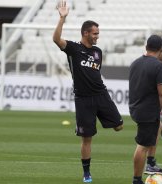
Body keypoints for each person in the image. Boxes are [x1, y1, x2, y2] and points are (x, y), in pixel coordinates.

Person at [53, 0, 124, 183]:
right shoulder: (74, 49)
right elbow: (56, 40)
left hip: (101, 95)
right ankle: (86, 173)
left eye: (98, 33)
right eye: (95, 33)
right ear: (85, 33)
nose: (97, 37)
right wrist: (62, 19)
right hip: (83, 99)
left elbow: (94, 73)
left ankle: (100, 118)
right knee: (87, 138)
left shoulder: (98, 52)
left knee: (119, 126)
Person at [129, 35, 162, 184]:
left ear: (146, 47)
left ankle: (151, 162)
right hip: (147, 110)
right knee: (142, 145)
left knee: (157, 126)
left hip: (136, 107)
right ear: (160, 49)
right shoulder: (159, 66)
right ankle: (137, 180)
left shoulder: (135, 63)